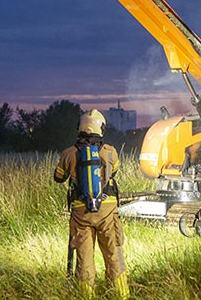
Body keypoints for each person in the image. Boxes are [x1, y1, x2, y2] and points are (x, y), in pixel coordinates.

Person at [54, 109, 130, 299]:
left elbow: (58, 177)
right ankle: (120, 294)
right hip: (107, 212)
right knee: (114, 254)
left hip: (81, 213)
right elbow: (114, 172)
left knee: (84, 259)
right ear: (101, 128)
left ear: (80, 127)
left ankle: (86, 295)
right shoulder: (110, 152)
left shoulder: (69, 153)